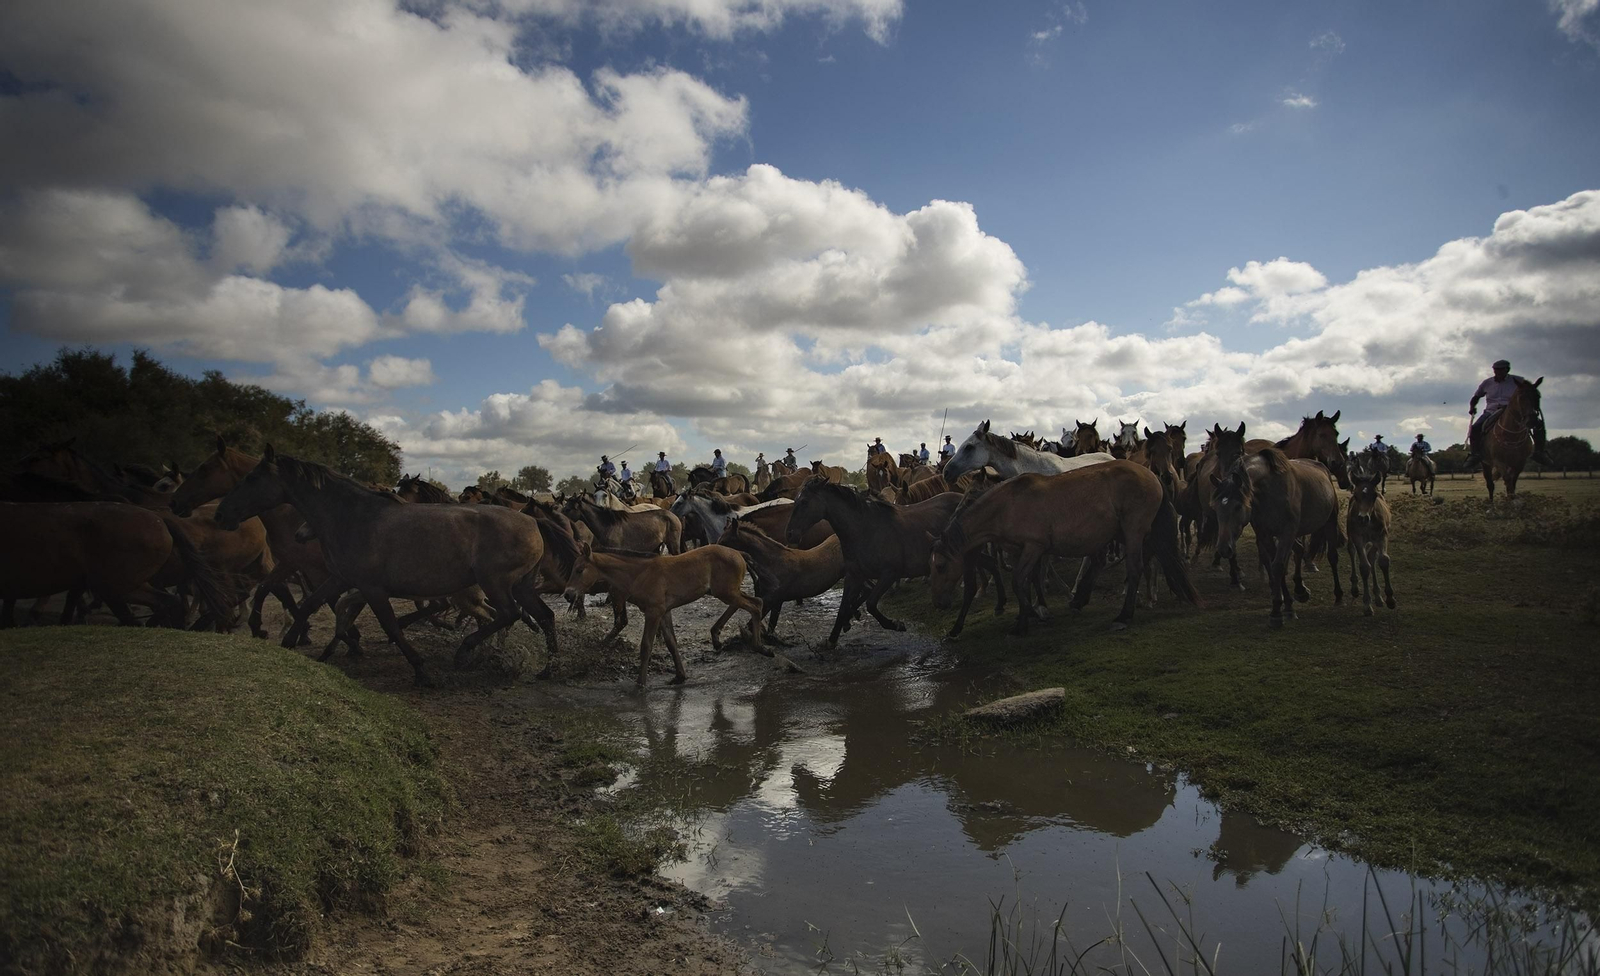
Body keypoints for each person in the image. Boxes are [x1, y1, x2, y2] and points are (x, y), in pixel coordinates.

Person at [1468, 359, 1552, 466]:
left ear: (1507, 370)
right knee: (1475, 428)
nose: (1497, 372)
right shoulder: (1487, 383)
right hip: (1491, 411)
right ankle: (1475, 455)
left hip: (1513, 412)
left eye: (1500, 370)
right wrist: (1472, 407)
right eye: (1495, 370)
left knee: (1538, 425)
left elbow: (1530, 391)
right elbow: (1476, 397)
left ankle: (1539, 452)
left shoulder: (1518, 380)